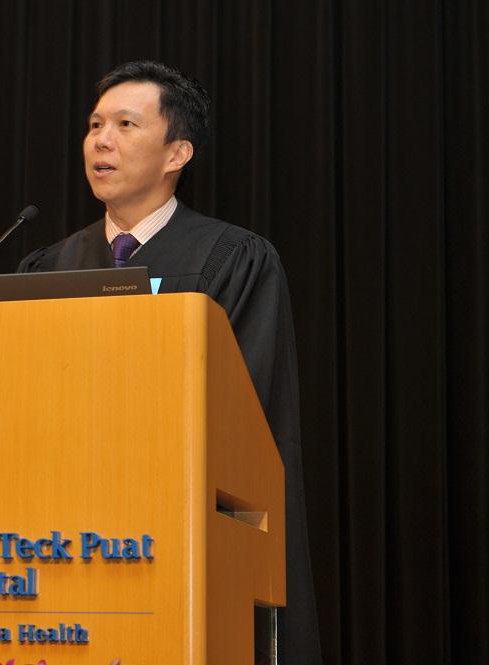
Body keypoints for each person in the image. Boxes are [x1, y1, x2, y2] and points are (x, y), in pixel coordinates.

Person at [17, 61, 322, 665]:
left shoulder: (234, 259)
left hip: (174, 531)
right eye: (95, 125)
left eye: (126, 125)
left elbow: (246, 411)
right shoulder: (46, 267)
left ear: (176, 153)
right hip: (54, 533)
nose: (101, 140)